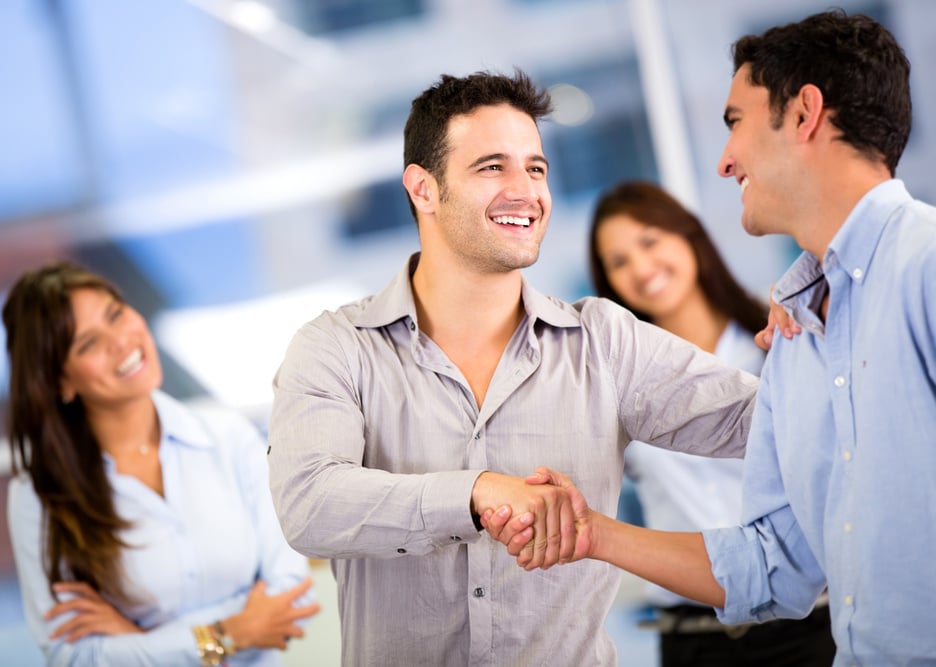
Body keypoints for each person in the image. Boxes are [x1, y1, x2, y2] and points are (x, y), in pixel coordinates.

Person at [484, 10, 936, 666]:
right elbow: (774, 563)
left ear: (805, 113)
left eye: (735, 123)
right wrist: (592, 533)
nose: (725, 161)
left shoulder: (925, 265)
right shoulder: (796, 337)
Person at [267, 69, 758, 666]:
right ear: (423, 189)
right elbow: (311, 505)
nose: (525, 190)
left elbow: (761, 423)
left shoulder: (603, 343)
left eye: (536, 167)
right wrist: (475, 493)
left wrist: (828, 337)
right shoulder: (336, 349)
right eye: (492, 166)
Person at [2, 261, 320, 667]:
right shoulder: (38, 494)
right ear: (60, 382)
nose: (121, 341)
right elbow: (73, 654)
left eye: (115, 315)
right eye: (88, 344)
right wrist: (230, 632)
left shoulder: (229, 438)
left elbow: (293, 599)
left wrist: (137, 640)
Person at [590, 181, 834, 665]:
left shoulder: (777, 346)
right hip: (692, 639)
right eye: (618, 262)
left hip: (808, 628)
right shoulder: (613, 385)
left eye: (649, 241)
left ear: (689, 237)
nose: (640, 268)